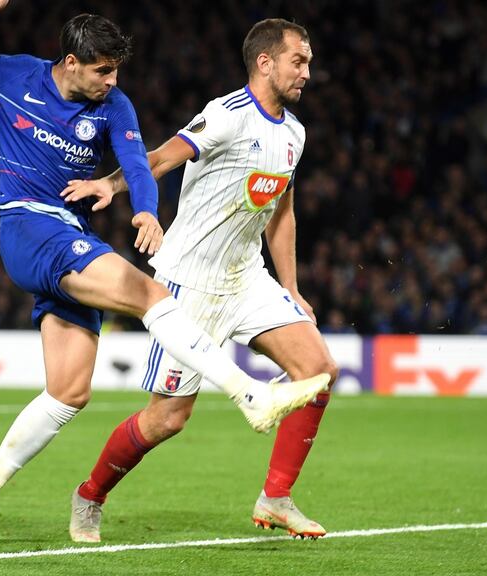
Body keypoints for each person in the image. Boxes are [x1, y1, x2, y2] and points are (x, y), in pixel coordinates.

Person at [0, 0, 329, 550]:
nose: (113, 82)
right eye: (103, 71)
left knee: (69, 393)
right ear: (70, 61)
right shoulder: (13, 74)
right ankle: (248, 393)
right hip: (32, 227)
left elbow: (140, 162)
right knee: (147, 293)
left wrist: (142, 208)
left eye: (117, 71)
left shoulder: (115, 106)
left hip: (92, 243)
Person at [61, 18, 337, 542]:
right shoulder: (227, 115)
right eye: (298, 60)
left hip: (247, 279)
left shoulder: (295, 133)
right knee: (167, 419)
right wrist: (111, 185)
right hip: (189, 284)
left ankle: (275, 499)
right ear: (265, 62)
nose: (307, 71)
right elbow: (161, 158)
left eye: (309, 61)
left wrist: (293, 289)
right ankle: (90, 494)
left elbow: (281, 214)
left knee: (318, 370)